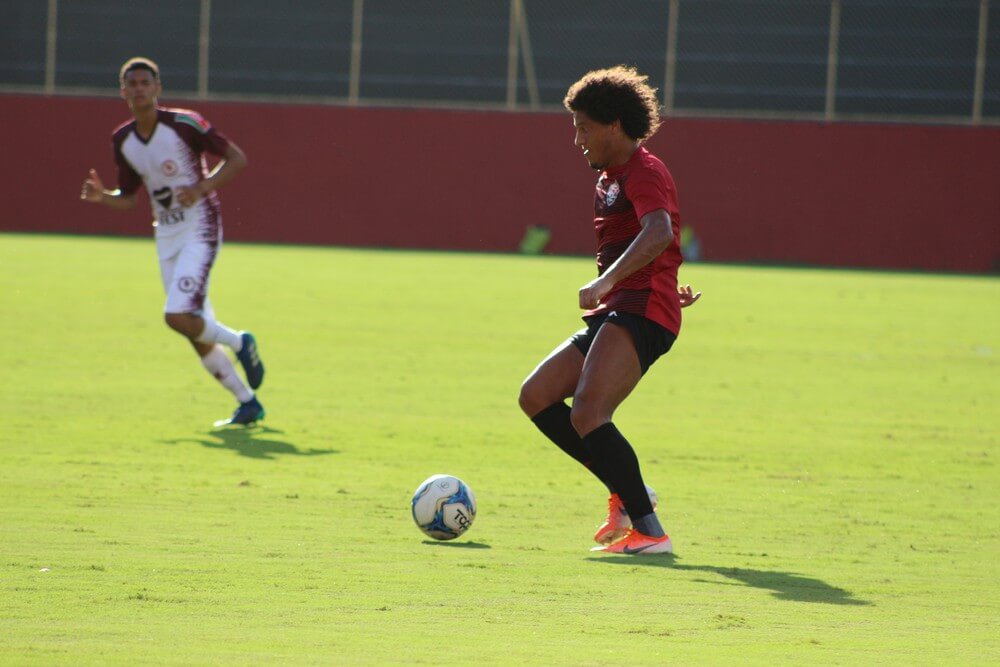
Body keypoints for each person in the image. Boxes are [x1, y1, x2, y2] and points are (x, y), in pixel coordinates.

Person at [518, 65, 700, 555]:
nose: (577, 138)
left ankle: (650, 529)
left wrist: (608, 280)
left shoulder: (644, 171)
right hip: (624, 307)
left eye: (584, 127)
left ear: (615, 125)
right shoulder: (607, 178)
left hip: (640, 309)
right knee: (536, 395)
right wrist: (657, 279)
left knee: (591, 412)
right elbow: (649, 242)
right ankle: (625, 491)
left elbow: (660, 231)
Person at [80, 57, 265, 427]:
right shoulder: (123, 139)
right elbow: (130, 198)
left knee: (177, 315)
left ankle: (240, 341)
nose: (139, 88)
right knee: (190, 328)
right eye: (131, 83)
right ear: (123, 91)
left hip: (200, 225)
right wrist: (104, 197)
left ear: (158, 88)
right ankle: (247, 403)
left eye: (145, 82)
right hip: (165, 234)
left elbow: (237, 159)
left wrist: (201, 187)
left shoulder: (184, 124)